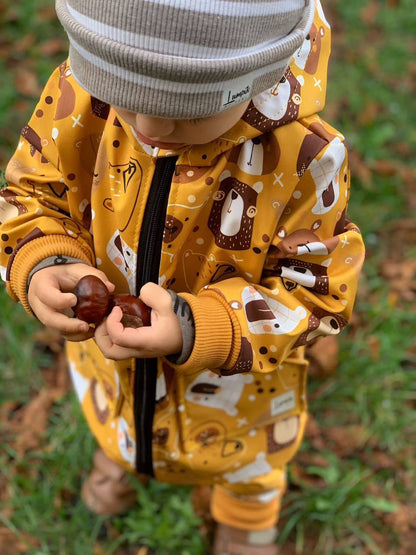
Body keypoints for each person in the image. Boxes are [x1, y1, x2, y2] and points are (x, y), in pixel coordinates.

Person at [0, 0, 365, 553]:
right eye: (126, 98)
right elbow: (30, 193)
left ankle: (245, 520)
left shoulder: (302, 158)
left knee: (252, 462)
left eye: (188, 111)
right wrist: (43, 258)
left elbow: (317, 292)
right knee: (117, 418)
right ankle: (121, 457)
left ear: (260, 75)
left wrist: (203, 326)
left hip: (241, 392)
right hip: (111, 367)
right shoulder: (81, 98)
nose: (149, 126)